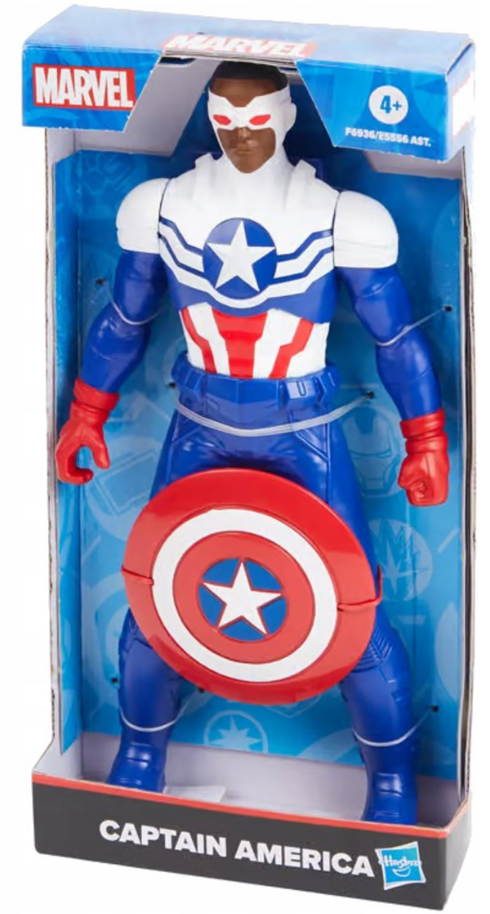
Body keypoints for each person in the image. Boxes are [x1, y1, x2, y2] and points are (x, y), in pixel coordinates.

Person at [56, 61, 449, 824]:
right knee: (157, 595)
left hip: (303, 431)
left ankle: (392, 789)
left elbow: (397, 338)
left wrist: (425, 435)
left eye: (258, 118)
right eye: (226, 119)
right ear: (208, 115)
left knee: (351, 609)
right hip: (198, 422)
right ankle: (140, 758)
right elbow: (124, 320)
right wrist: (86, 411)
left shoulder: (342, 216)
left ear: (287, 114)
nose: (241, 134)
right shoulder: (161, 205)